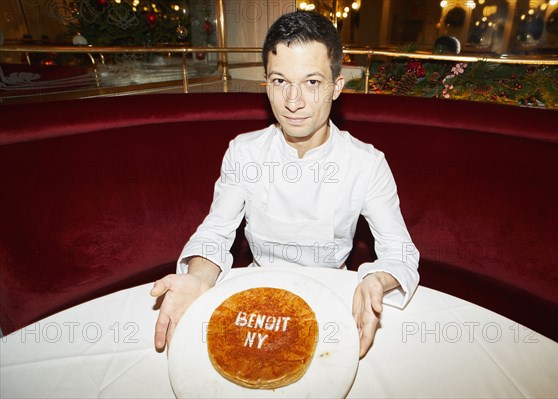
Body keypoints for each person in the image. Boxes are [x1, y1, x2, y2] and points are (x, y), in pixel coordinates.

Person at [151, 11, 419, 358]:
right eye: (280, 81)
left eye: (312, 83)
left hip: (333, 302)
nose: (293, 102)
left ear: (336, 87)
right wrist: (199, 278)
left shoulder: (366, 164)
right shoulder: (244, 152)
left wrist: (376, 281)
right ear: (266, 82)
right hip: (254, 300)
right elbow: (215, 233)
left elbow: (400, 251)